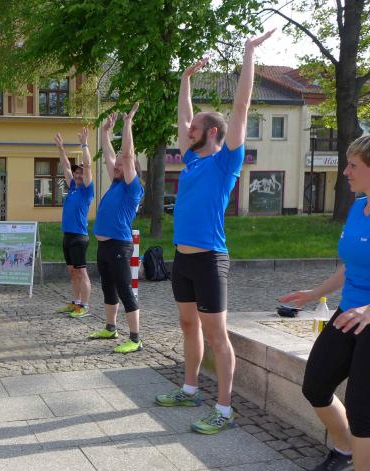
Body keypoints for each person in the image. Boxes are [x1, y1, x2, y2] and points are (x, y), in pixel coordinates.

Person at [154, 29, 275, 435]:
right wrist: (184, 80)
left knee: (217, 335)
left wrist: (248, 53)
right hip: (183, 259)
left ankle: (224, 409)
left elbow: (241, 105)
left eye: (195, 128)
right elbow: (183, 116)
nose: (187, 131)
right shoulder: (191, 160)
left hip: (210, 259)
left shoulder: (226, 163)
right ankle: (190, 389)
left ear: (212, 133)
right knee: (188, 326)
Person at [279, 135, 370, 471]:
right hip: (349, 313)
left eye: (353, 165)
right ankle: (346, 452)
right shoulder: (358, 208)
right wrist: (315, 293)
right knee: (315, 384)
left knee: (364, 410)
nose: (345, 172)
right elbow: (350, 267)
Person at [88, 103, 144, 353]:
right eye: (117, 165)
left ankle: (135, 339)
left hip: (119, 244)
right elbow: (110, 157)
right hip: (104, 245)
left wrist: (127, 124)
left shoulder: (133, 187)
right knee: (107, 287)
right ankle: (110, 328)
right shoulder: (116, 183)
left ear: (131, 169)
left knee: (124, 289)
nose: (117, 167)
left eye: (121, 166)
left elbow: (127, 156)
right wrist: (105, 133)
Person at [55, 127, 95, 318]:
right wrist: (61, 149)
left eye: (81, 173)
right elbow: (65, 166)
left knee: (81, 272)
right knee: (72, 271)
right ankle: (76, 302)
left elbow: (88, 165)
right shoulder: (72, 187)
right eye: (77, 172)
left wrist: (84, 144)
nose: (78, 175)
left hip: (79, 237)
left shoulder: (87, 190)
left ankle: (84, 306)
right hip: (68, 236)